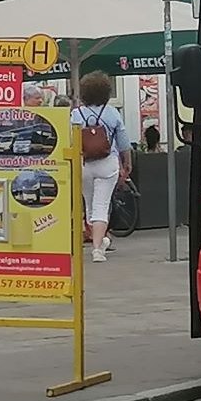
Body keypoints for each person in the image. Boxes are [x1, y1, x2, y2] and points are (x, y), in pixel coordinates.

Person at [71, 72, 131, 263]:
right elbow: (124, 143)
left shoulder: (76, 114)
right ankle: (98, 248)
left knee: (89, 205)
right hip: (107, 163)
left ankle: (98, 239)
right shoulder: (112, 113)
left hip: (84, 164)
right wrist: (127, 163)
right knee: (101, 205)